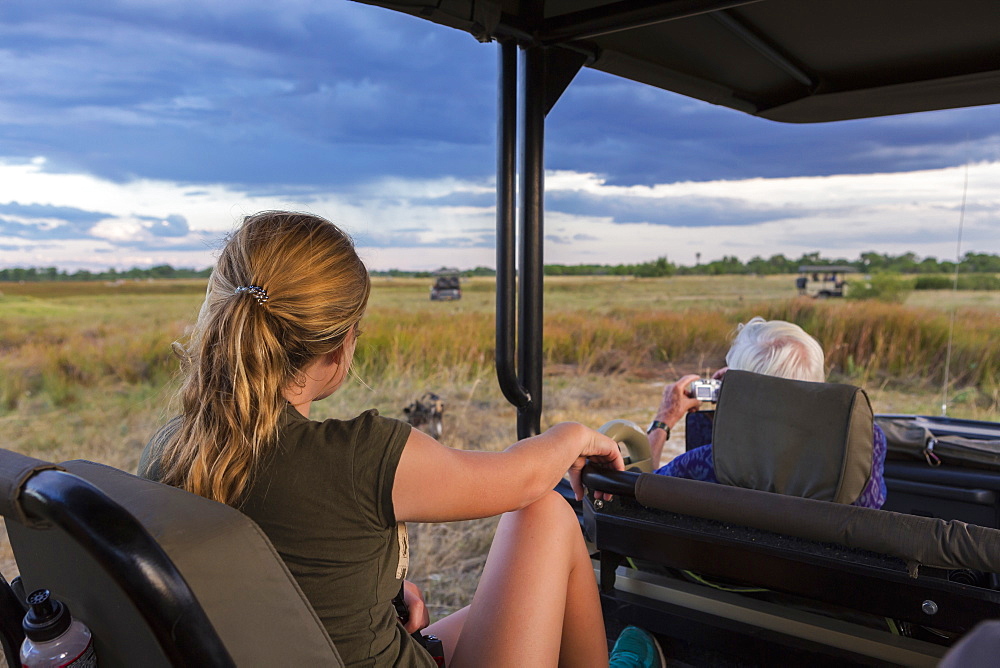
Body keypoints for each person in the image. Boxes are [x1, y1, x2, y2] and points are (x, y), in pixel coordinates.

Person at [139, 211, 628, 668]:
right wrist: (574, 436)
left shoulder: (171, 451)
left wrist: (377, 587)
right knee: (546, 514)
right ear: (338, 346)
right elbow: (521, 482)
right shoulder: (361, 458)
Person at [645, 317, 887, 509]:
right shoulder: (864, 449)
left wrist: (663, 422)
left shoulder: (702, 465)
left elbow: (637, 492)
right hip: (829, 571)